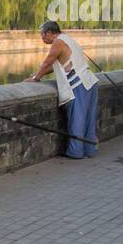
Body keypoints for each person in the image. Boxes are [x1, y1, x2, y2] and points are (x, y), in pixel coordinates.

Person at [24, 20, 98, 158]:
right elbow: (54, 66)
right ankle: (89, 150)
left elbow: (48, 62)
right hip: (89, 82)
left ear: (50, 33)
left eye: (42, 35)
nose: (42, 38)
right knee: (88, 119)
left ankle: (76, 152)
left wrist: (35, 79)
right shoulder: (68, 39)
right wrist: (36, 74)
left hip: (78, 84)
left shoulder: (58, 42)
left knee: (77, 118)